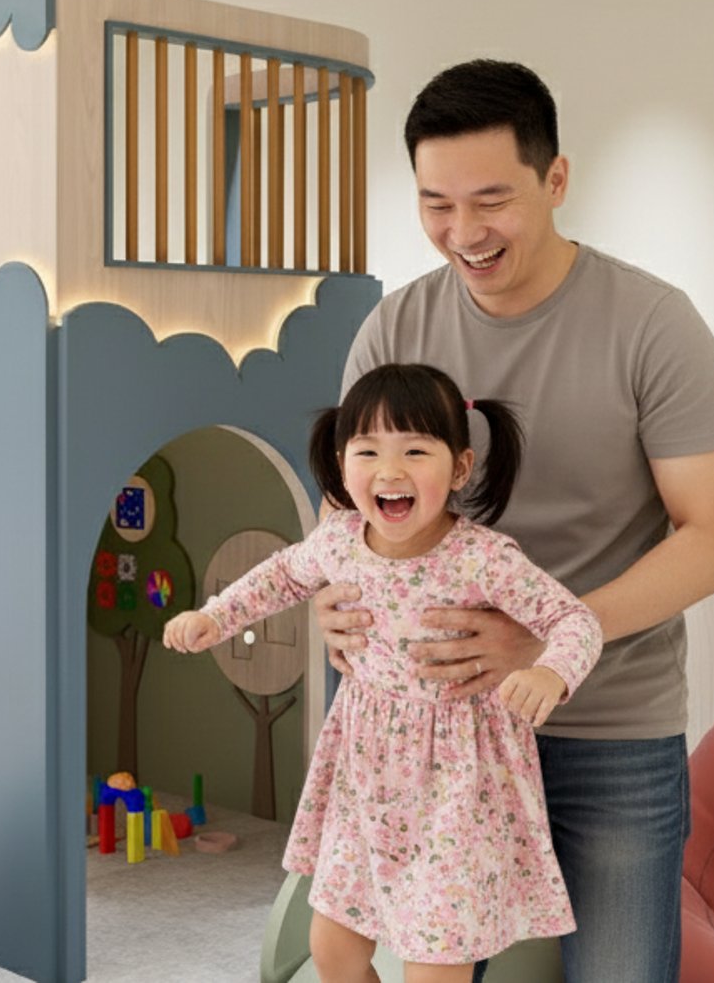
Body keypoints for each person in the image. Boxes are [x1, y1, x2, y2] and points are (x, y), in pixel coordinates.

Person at [318, 59, 714, 983]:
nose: (463, 233)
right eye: (435, 203)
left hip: (608, 731)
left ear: (555, 180)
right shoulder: (394, 330)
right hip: (436, 726)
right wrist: (333, 598)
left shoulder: (653, 325)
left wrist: (547, 641)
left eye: (491, 200)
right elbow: (344, 513)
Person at [164, 362, 602, 983]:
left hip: (459, 787)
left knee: (433, 969)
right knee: (333, 949)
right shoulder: (339, 539)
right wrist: (214, 618)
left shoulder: (483, 558)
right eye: (368, 451)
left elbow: (575, 621)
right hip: (364, 778)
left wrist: (550, 672)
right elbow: (282, 576)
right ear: (343, 464)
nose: (390, 471)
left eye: (415, 451)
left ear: (460, 469)